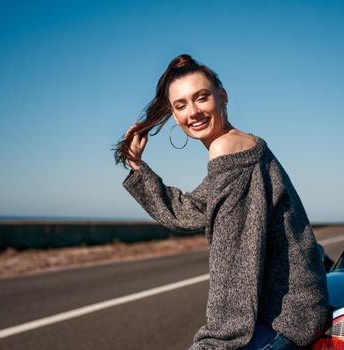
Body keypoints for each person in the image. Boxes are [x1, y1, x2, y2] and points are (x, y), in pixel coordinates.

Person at [114, 54, 330, 349]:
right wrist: (138, 167)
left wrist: (217, 342)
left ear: (222, 96)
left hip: (284, 318)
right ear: (175, 116)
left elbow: (234, 263)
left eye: (201, 98)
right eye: (181, 105)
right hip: (295, 308)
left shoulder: (228, 150)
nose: (193, 112)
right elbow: (187, 212)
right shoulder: (237, 147)